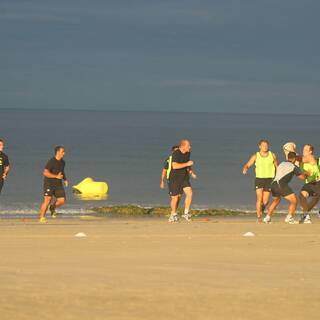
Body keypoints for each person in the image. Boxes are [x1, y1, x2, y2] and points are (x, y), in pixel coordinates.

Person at [263, 152, 308, 224]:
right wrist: (306, 174)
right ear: (294, 159)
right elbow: (302, 178)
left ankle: (267, 218)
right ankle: (289, 218)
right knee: (294, 201)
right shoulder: (293, 167)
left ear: (288, 158)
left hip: (273, 184)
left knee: (276, 201)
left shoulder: (282, 163)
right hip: (281, 185)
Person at [242, 139, 278, 222]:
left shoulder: (272, 155)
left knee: (265, 201)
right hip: (259, 179)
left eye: (266, 145)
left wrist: (277, 176)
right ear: (259, 146)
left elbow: (276, 166)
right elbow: (248, 164)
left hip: (270, 179)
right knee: (259, 198)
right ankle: (259, 217)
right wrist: (245, 168)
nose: (265, 147)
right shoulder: (256, 155)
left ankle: (261, 210)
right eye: (263, 145)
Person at [168, 139, 196, 222]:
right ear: (183, 146)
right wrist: (187, 164)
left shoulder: (188, 153)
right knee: (175, 198)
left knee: (190, 193)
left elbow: (188, 164)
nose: (190, 147)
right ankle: (173, 214)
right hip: (174, 178)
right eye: (188, 146)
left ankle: (186, 213)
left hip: (184, 177)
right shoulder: (176, 153)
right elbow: (175, 166)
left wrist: (191, 172)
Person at [39, 146, 68, 223]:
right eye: (63, 151)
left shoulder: (63, 162)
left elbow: (62, 171)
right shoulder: (51, 161)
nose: (64, 153)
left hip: (58, 184)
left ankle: (52, 207)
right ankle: (42, 218)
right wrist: (56, 176)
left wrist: (65, 179)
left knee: (62, 200)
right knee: (47, 200)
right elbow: (45, 173)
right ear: (58, 152)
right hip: (49, 184)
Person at [298, 144, 320, 224]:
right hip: (309, 183)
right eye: (303, 149)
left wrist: (291, 153)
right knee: (302, 195)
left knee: (316, 198)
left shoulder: (311, 157)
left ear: (310, 152)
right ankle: (306, 216)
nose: (303, 151)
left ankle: (305, 215)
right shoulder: (302, 162)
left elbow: (299, 158)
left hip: (317, 182)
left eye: (306, 150)